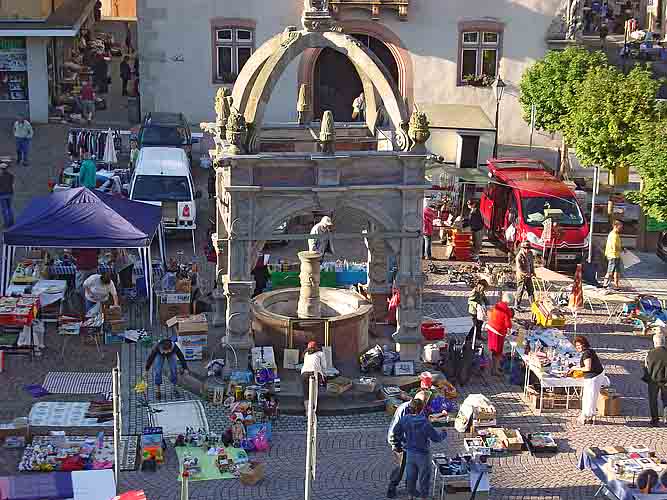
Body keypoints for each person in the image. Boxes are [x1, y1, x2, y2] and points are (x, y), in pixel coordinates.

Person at [391, 398, 447, 499]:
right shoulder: (425, 422)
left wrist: (403, 440)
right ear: (421, 409)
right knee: (424, 479)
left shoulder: (405, 419)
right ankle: (423, 497)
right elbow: (436, 438)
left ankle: (411, 496)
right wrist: (444, 433)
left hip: (410, 454)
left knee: (411, 477)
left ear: (410, 408)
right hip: (423, 455)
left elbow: (395, 432)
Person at [571, 335, 606, 424]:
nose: (578, 347)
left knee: (589, 397)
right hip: (595, 375)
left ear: (584, 344)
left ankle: (587, 417)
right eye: (577, 346)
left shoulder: (587, 354)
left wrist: (575, 368)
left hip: (593, 377)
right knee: (589, 396)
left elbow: (587, 368)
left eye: (580, 345)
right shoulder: (588, 352)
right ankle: (588, 416)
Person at [386, 398, 414, 498]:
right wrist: (396, 445)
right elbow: (396, 430)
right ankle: (392, 486)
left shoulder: (415, 407)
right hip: (400, 442)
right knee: (401, 466)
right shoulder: (405, 410)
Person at [643, 333, 667, 427]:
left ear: (655, 342)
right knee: (666, 400)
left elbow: (646, 366)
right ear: (664, 342)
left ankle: (654, 419)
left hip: (653, 380)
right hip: (665, 380)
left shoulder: (649, 353)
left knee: (653, 400)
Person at [487, 292, 514, 377]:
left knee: (493, 351)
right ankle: (495, 370)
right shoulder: (506, 310)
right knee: (498, 352)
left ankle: (494, 367)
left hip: (491, 328)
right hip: (498, 332)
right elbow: (508, 324)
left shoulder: (498, 304)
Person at [300, 340, 325, 410]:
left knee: (306, 393)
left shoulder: (306, 354)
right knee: (314, 392)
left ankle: (307, 412)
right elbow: (324, 366)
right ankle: (313, 411)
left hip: (304, 373)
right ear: (316, 347)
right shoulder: (321, 353)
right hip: (315, 373)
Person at [515, 240, 535, 311]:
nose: (527, 250)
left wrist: (533, 272)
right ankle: (517, 306)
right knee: (520, 291)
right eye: (525, 248)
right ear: (522, 248)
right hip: (521, 277)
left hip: (529, 275)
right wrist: (526, 274)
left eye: (528, 248)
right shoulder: (519, 256)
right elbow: (519, 269)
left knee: (531, 290)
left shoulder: (530, 254)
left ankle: (533, 305)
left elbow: (532, 264)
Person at [603, 220, 624, 289]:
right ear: (615, 226)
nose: (621, 228)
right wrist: (621, 250)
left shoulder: (615, 234)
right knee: (610, 271)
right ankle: (605, 284)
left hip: (615, 255)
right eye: (620, 226)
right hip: (613, 255)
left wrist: (622, 249)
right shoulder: (613, 235)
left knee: (616, 271)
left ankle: (616, 285)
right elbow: (614, 246)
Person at [0, 163, 14, 227]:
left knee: (4, 210)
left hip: (2, 194)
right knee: (9, 208)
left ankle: (6, 223)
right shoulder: (11, 175)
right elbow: (12, 184)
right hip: (10, 193)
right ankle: (11, 221)